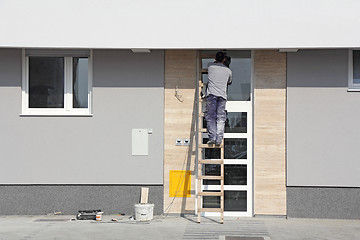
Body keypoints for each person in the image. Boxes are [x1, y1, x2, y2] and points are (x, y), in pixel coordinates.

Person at [205, 52, 232, 145]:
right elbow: (230, 81)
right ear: (224, 59)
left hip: (212, 95)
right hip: (222, 96)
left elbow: (213, 63)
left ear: (215, 58)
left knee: (210, 117)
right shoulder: (228, 71)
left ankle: (212, 137)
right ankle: (219, 139)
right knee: (220, 118)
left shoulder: (210, 67)